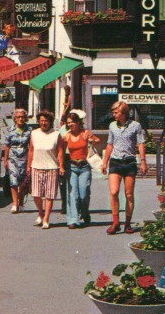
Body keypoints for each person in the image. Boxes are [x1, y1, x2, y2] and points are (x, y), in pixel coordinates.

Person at [102, 100, 147, 235]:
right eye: (113, 112)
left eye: (116, 112)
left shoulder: (135, 126)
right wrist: (105, 162)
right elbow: (110, 143)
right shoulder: (112, 126)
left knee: (128, 194)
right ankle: (115, 222)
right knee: (114, 192)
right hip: (115, 161)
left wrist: (143, 161)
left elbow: (140, 144)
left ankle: (127, 223)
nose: (114, 115)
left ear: (124, 113)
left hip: (129, 162)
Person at [26, 109, 65, 229]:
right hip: (36, 166)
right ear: (38, 121)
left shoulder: (56, 134)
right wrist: (28, 165)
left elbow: (60, 151)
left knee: (49, 195)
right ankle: (40, 212)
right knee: (36, 194)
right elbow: (31, 150)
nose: (44, 123)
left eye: (46, 121)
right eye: (42, 121)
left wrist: (61, 166)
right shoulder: (34, 133)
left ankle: (46, 218)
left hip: (52, 167)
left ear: (50, 122)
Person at [61, 111, 101, 228]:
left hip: (84, 167)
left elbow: (98, 140)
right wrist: (61, 166)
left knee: (84, 194)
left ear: (78, 122)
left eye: (72, 122)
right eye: (68, 123)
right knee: (73, 194)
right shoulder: (66, 136)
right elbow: (61, 152)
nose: (70, 125)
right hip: (72, 166)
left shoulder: (85, 133)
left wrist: (91, 140)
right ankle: (72, 220)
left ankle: (84, 212)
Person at [2, 108, 32, 213]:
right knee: (13, 180)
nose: (20, 119)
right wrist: (5, 160)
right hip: (13, 159)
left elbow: (31, 147)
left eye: (22, 117)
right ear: (15, 118)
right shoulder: (10, 130)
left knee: (23, 182)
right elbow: (7, 146)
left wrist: (30, 161)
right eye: (18, 117)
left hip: (24, 158)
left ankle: (21, 202)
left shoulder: (29, 131)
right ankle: (14, 203)